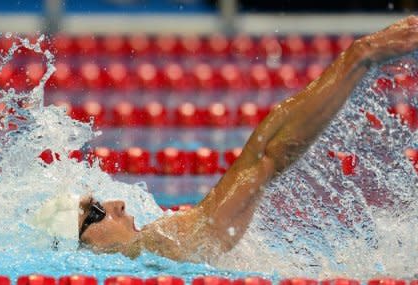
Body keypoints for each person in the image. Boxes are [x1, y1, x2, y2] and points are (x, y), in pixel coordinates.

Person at [76, 16, 418, 262]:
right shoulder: (155, 245)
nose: (117, 204)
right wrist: (360, 55)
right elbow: (266, 158)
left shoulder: (150, 254)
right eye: (95, 212)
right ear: (85, 242)